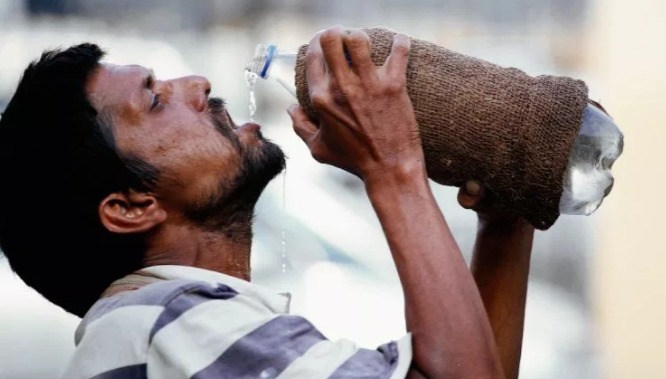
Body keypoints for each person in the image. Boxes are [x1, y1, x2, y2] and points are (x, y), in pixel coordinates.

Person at [0, 26, 534, 379]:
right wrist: (392, 167)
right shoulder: (168, 322)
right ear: (132, 205)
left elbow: (472, 366)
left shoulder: (160, 326)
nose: (199, 84)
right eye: (156, 100)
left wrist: (504, 220)